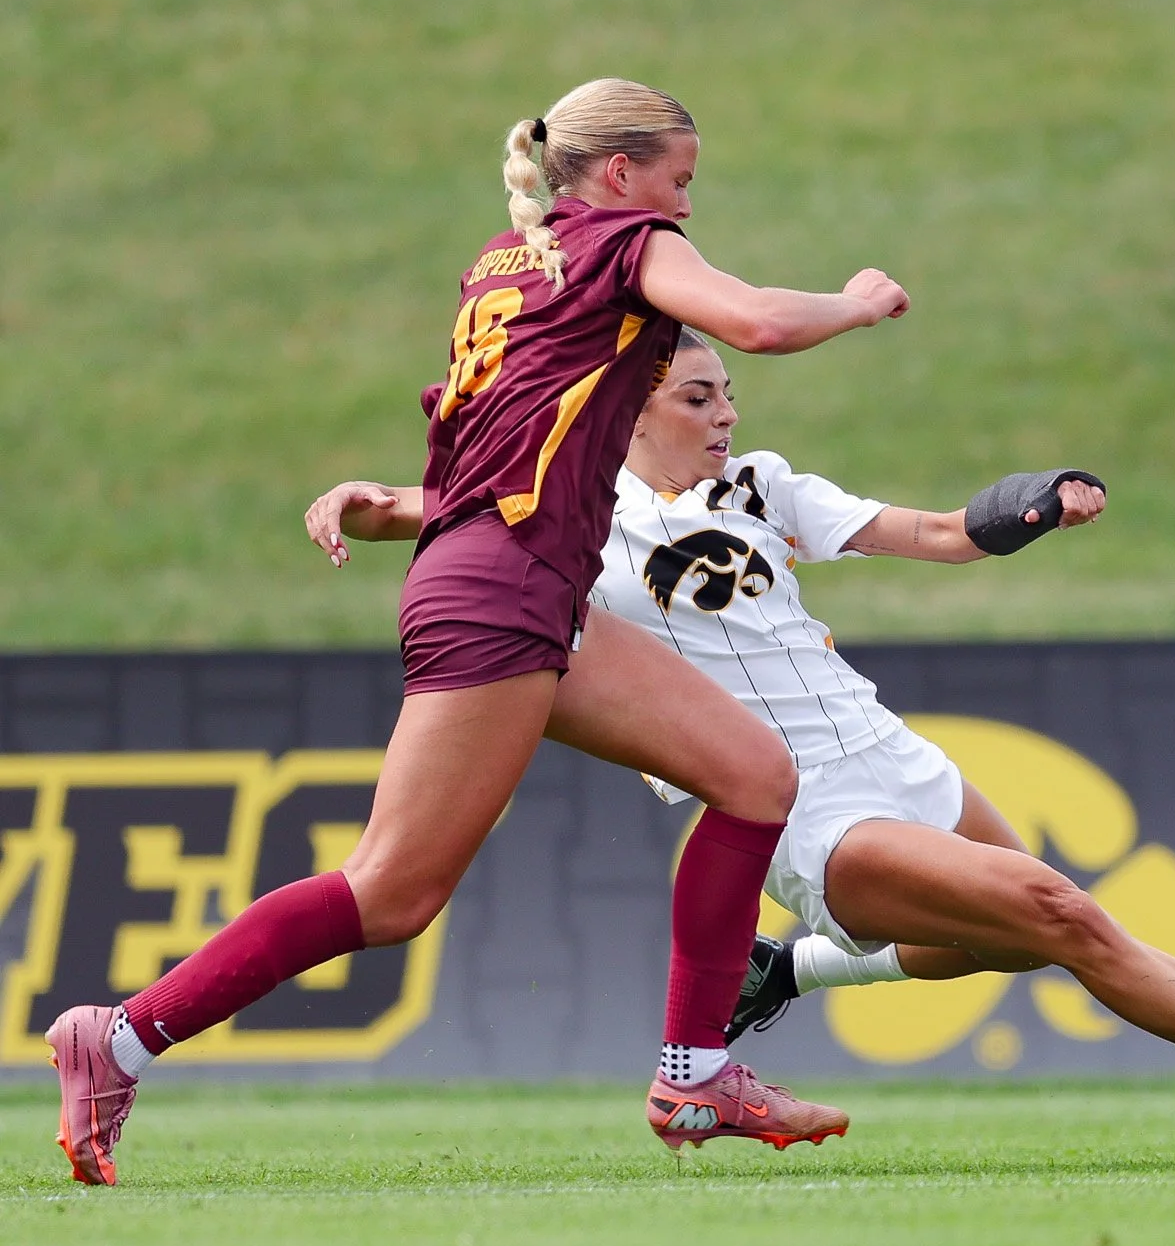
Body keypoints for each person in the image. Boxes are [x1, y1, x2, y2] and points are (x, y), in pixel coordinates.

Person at [46, 78, 910, 1186]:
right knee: (390, 891)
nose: (684, 207)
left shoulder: (508, 264)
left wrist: (400, 505)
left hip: (514, 581)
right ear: (617, 175)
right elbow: (750, 320)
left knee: (751, 773)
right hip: (502, 595)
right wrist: (854, 301)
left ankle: (693, 1075)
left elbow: (488, 448)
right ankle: (115, 1038)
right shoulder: (619, 241)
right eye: (678, 180)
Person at [306, 331, 1175, 1130]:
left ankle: (787, 970)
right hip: (800, 809)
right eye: (696, 396)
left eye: (728, 394)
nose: (724, 413)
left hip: (893, 753)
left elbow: (937, 533)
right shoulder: (567, 503)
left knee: (1006, 946)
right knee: (1058, 913)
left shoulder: (764, 483)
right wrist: (352, 502)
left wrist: (1031, 507)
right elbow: (417, 506)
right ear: (626, 408)